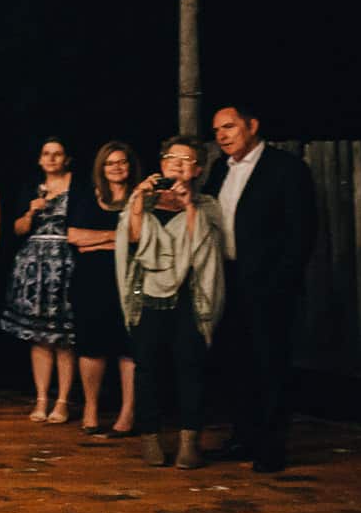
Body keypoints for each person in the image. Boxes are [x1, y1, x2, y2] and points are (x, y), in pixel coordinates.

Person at [205, 103, 316, 473]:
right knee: (236, 361)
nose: (222, 135)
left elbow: (300, 232)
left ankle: (271, 445)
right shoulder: (220, 169)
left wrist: (279, 281)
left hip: (268, 284)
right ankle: (243, 436)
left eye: (229, 127)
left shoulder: (285, 169)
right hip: (229, 279)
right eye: (218, 129)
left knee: (270, 363)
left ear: (252, 125)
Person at [118, 136, 226, 469]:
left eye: (186, 160)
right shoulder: (145, 200)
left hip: (189, 297)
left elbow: (204, 249)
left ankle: (188, 442)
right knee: (147, 369)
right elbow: (132, 242)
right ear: (162, 163)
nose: (177, 164)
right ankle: (150, 438)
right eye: (171, 158)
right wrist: (138, 198)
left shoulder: (206, 204)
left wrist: (188, 205)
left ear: (197, 169)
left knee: (190, 368)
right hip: (149, 296)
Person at [1, 137, 78, 422]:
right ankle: (42, 399)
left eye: (57, 154)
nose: (52, 158)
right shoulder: (31, 188)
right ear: (39, 159)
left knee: (64, 337)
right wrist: (31, 211)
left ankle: (62, 401)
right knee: (39, 336)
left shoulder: (77, 186)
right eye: (46, 154)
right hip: (35, 266)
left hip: (65, 262)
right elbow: (17, 229)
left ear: (66, 159)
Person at [67, 141, 138, 437]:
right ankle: (91, 408)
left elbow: (137, 236)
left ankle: (127, 414)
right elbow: (73, 236)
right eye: (110, 163)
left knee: (128, 348)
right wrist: (116, 237)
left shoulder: (139, 198)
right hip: (91, 280)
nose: (117, 168)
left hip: (130, 280)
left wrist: (100, 240)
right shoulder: (86, 195)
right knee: (91, 344)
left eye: (122, 162)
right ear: (101, 168)